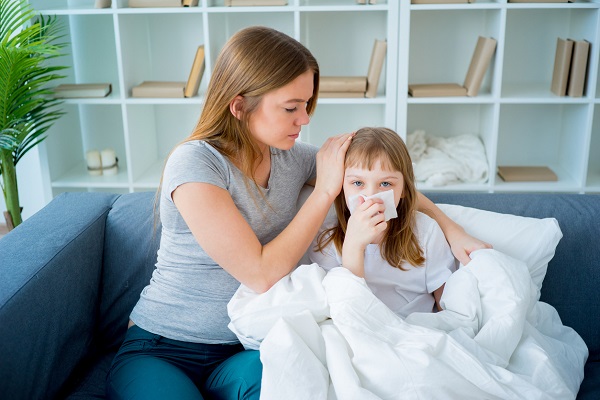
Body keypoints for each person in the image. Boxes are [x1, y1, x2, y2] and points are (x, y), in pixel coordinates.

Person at [106, 26, 489, 400]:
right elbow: (260, 273)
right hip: (165, 346)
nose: (305, 119)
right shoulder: (195, 164)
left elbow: (380, 182)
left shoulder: (289, 157)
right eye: (291, 107)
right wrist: (324, 190)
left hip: (248, 347)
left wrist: (452, 229)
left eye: (306, 104)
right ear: (239, 106)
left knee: (290, 384)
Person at [309, 127, 456, 317]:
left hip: (416, 327)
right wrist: (353, 245)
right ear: (341, 186)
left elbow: (447, 303)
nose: (371, 196)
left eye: (385, 184)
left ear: (403, 188)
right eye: (358, 183)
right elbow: (347, 308)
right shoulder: (326, 238)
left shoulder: (426, 231)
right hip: (362, 324)